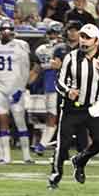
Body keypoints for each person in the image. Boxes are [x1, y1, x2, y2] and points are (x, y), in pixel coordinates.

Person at [48, 23, 99, 188]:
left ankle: (80, 160)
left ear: (96, 41)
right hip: (72, 108)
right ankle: (55, 177)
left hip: (94, 107)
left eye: (87, 38)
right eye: (82, 36)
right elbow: (58, 82)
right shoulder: (71, 57)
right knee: (63, 144)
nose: (83, 41)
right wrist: (68, 91)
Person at [0, 18, 35, 163]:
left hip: (15, 86)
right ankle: (6, 156)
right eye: (3, 30)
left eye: (8, 30)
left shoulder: (21, 46)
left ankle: (26, 155)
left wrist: (21, 88)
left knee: (20, 121)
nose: (6, 33)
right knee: (2, 120)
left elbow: (25, 70)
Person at [32, 22, 64, 155]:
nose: (54, 36)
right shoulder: (41, 50)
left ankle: (42, 144)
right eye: (52, 33)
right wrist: (26, 85)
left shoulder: (64, 48)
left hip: (62, 85)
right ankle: (44, 144)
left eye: (56, 33)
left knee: (54, 116)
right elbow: (36, 69)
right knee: (52, 115)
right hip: (49, 85)